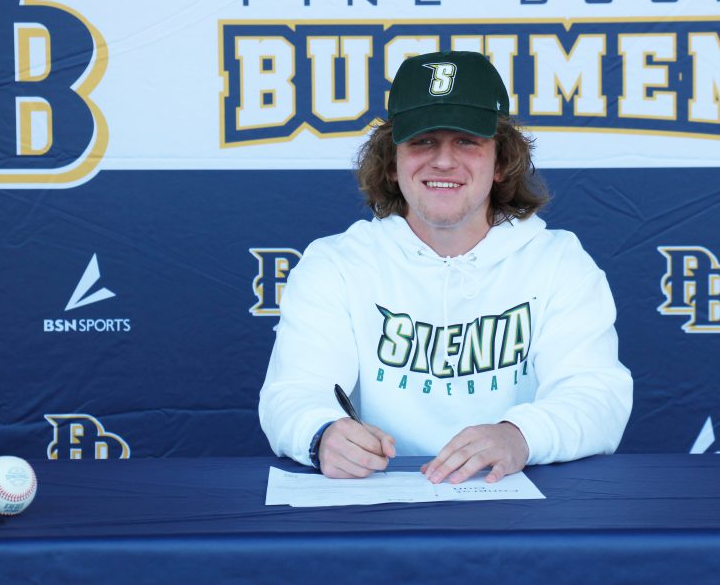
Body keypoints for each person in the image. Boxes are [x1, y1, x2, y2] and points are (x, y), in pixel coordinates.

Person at [258, 50, 632, 484]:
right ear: (392, 163)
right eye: (422, 140)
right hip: (377, 505)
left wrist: (520, 436)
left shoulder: (558, 262)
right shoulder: (336, 264)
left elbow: (598, 396)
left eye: (467, 141)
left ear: (500, 161)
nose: (443, 161)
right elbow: (293, 393)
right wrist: (320, 434)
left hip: (517, 510)